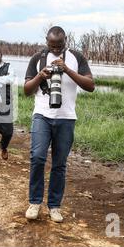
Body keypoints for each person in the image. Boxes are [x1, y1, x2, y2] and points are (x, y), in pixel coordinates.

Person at [24, 26, 95, 222]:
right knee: (37, 158)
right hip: (42, 115)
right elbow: (27, 91)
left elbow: (90, 86)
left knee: (59, 164)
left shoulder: (76, 57)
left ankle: (54, 206)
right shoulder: (37, 59)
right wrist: (41, 76)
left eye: (59, 45)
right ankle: (35, 202)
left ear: (66, 41)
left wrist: (67, 70)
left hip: (66, 117)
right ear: (46, 42)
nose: (55, 49)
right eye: (52, 45)